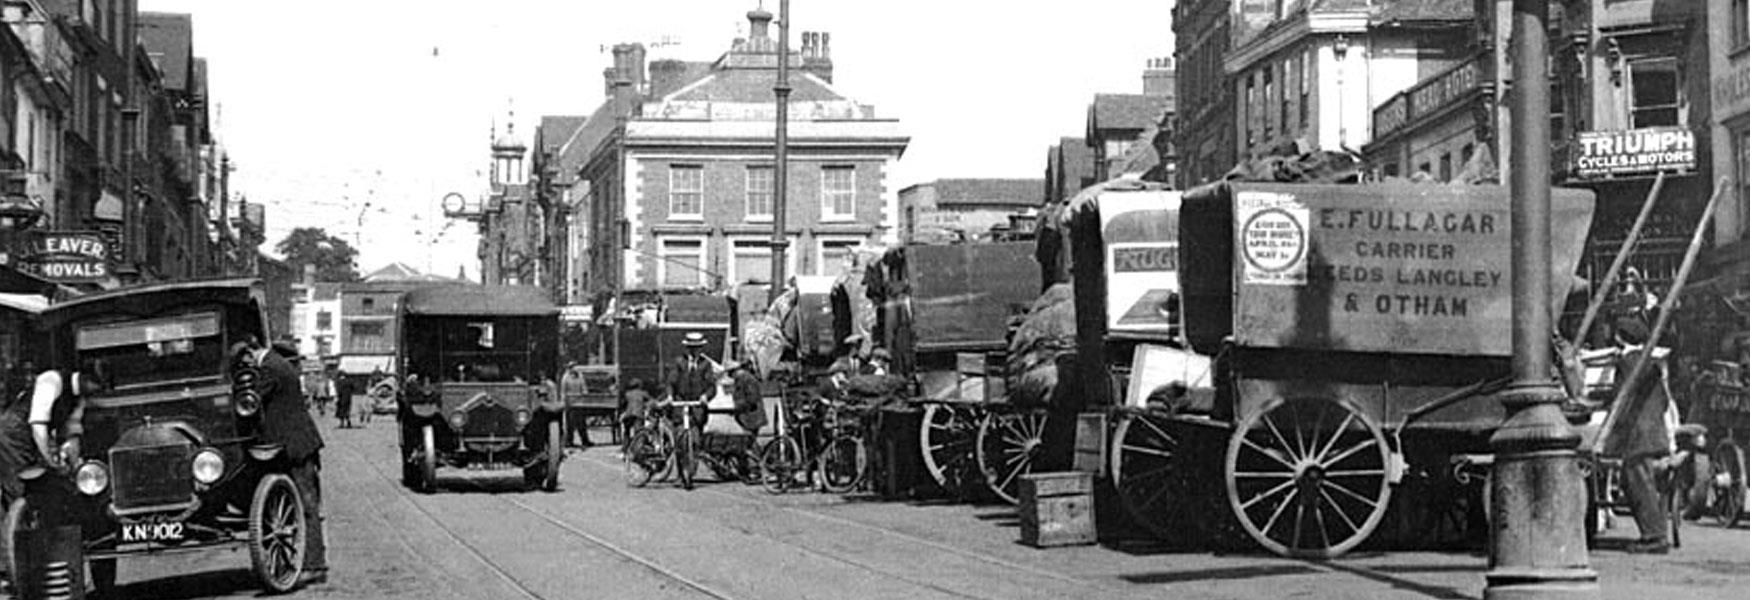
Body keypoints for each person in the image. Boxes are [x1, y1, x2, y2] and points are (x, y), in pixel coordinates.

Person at [248, 340, 329, 586]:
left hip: (296, 445)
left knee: (306, 503)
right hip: (297, 442)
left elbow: (251, 400)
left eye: (246, 359)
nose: (246, 364)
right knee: (305, 502)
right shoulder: (278, 364)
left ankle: (314, 566)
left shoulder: (271, 368)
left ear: (253, 352)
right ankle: (310, 562)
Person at [1600, 316, 1676, 554]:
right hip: (1655, 433)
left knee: (1637, 484)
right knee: (1646, 485)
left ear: (1619, 338)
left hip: (1638, 436)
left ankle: (1654, 537)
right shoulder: (1652, 364)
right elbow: (1664, 400)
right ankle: (1656, 533)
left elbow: (1618, 399)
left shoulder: (1625, 364)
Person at [666, 332, 719, 430]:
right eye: (692, 348)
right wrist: (670, 396)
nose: (695, 351)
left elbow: (711, 386)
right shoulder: (679, 362)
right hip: (680, 404)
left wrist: (705, 396)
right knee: (680, 432)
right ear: (687, 348)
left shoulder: (705, 364)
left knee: (696, 437)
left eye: (698, 348)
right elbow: (671, 382)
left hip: (697, 406)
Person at [728, 362, 767, 435]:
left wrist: (742, 406)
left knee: (750, 432)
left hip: (751, 412)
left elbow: (751, 396)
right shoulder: (744, 378)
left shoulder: (744, 378)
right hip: (749, 411)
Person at [619, 378, 652, 444]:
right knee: (638, 432)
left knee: (626, 431)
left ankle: (625, 446)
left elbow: (622, 404)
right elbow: (651, 401)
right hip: (638, 414)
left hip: (628, 415)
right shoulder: (643, 393)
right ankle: (638, 446)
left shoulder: (627, 394)